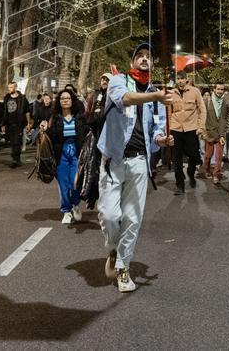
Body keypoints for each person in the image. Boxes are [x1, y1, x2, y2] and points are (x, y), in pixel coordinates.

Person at [97, 42, 167, 293]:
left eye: (149, 56)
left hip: (139, 161)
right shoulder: (119, 81)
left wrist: (161, 139)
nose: (145, 59)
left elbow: (157, 128)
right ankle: (114, 249)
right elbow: (124, 100)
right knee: (109, 214)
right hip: (113, 159)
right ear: (132, 62)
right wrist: (154, 96)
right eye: (140, 56)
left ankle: (123, 267)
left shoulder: (157, 97)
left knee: (132, 218)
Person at [43, 90, 91, 224]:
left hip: (76, 153)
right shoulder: (55, 117)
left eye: (68, 98)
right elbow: (51, 137)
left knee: (74, 183)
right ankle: (66, 211)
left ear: (72, 101)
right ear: (59, 101)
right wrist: (45, 128)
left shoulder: (79, 117)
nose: (65, 100)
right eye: (62, 98)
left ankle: (75, 205)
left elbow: (87, 133)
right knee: (63, 185)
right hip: (60, 154)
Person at [167, 71, 206, 194]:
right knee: (176, 158)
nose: (179, 81)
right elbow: (168, 113)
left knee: (194, 155)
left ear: (186, 79)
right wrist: (168, 130)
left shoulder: (195, 92)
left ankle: (190, 172)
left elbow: (202, 109)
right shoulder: (171, 93)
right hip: (176, 128)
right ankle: (180, 184)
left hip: (191, 128)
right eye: (178, 79)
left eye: (182, 78)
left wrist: (201, 127)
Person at [201, 83, 227, 184]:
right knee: (208, 155)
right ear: (214, 90)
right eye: (218, 89)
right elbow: (202, 116)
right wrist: (203, 131)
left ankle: (216, 174)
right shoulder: (207, 101)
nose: (220, 91)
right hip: (210, 133)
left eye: (222, 89)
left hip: (221, 133)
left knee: (219, 156)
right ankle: (207, 170)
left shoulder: (225, 102)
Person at [2, 82, 32, 168]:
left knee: (17, 141)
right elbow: (4, 112)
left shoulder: (22, 99)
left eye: (11, 87)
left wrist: (28, 123)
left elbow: (27, 111)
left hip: (19, 124)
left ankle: (15, 160)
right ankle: (16, 159)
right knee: (12, 142)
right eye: (8, 87)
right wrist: (3, 124)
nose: (9, 89)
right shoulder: (6, 98)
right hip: (9, 124)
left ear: (15, 87)